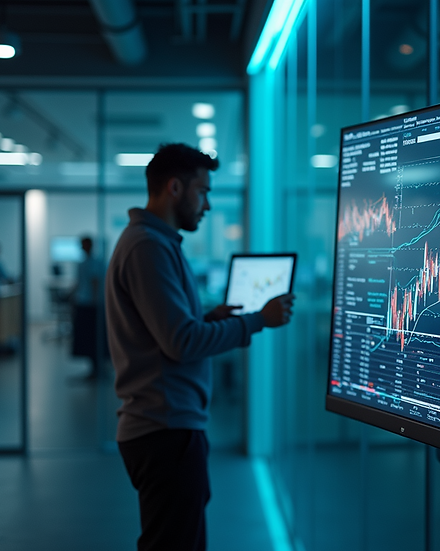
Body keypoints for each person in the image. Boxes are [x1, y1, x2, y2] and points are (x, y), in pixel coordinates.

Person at [106, 143, 294, 551]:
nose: (207, 204)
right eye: (203, 191)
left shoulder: (157, 243)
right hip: (165, 429)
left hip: (166, 426)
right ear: (175, 188)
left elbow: (168, 332)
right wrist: (258, 319)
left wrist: (210, 318)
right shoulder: (148, 247)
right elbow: (182, 343)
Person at [71, 236, 106, 379]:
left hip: (91, 305)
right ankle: (94, 368)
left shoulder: (94, 263)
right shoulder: (85, 263)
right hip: (85, 303)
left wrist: (94, 301)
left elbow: (95, 282)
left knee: (92, 338)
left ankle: (97, 369)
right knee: (88, 338)